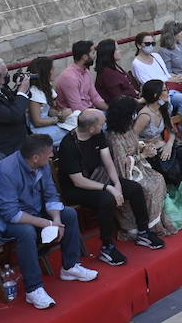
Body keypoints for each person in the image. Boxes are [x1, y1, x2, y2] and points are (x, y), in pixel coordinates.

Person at [0, 134, 97, 310]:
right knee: (26, 231)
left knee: (68, 214)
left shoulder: (42, 165)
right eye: (49, 153)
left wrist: (55, 219)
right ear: (35, 158)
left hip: (30, 210)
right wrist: (47, 224)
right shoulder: (5, 171)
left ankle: (70, 267)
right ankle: (33, 289)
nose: (52, 156)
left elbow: (50, 194)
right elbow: (11, 214)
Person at [58, 109, 165, 267]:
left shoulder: (98, 134)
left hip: (98, 178)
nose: (105, 125)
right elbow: (78, 181)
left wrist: (117, 184)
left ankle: (143, 232)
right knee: (107, 200)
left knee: (135, 188)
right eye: (102, 123)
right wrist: (109, 189)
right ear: (91, 129)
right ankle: (106, 247)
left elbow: (108, 161)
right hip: (76, 188)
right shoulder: (68, 145)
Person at [104, 98, 180, 239]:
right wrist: (143, 155)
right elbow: (121, 163)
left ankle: (154, 222)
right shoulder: (114, 137)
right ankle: (145, 226)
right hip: (125, 172)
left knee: (158, 178)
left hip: (137, 166)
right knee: (149, 187)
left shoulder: (127, 128)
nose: (135, 115)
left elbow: (134, 144)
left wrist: (143, 147)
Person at [134, 80, 182, 189]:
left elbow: (171, 130)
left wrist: (169, 145)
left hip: (162, 145)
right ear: (156, 95)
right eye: (165, 90)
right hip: (149, 151)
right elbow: (132, 138)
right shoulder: (145, 115)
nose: (168, 92)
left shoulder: (162, 108)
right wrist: (146, 146)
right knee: (173, 166)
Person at [131, 33, 182, 127]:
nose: (150, 46)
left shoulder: (156, 56)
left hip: (171, 87)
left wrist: (177, 77)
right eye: (147, 43)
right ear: (139, 45)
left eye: (153, 43)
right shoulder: (137, 63)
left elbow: (165, 74)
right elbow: (149, 85)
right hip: (159, 93)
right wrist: (171, 80)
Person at [24, 56, 73, 145]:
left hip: (48, 123)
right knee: (74, 132)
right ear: (45, 72)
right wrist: (59, 118)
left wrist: (60, 114)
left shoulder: (45, 88)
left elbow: (47, 110)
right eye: (51, 69)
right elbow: (37, 122)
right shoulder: (34, 92)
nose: (53, 71)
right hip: (39, 131)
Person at [55, 40, 108, 112]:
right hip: (75, 117)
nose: (95, 56)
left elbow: (95, 97)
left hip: (90, 111)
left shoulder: (86, 72)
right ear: (85, 57)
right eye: (93, 53)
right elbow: (77, 108)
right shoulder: (69, 77)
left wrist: (111, 109)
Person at [94, 38, 140, 105]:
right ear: (110, 52)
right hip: (124, 107)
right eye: (117, 49)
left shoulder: (115, 67)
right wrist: (138, 101)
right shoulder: (107, 73)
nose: (120, 51)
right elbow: (117, 97)